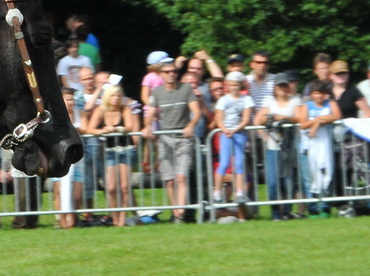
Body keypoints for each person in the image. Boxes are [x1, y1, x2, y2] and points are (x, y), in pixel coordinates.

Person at [144, 58, 199, 223]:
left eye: (174, 72)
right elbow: (150, 114)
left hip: (183, 138)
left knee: (181, 177)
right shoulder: (157, 92)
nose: (171, 75)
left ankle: (180, 213)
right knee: (169, 179)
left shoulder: (186, 88)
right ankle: (175, 212)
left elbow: (196, 112)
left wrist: (190, 125)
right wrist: (147, 126)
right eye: (167, 72)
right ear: (161, 74)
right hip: (164, 138)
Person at [86, 84, 139, 225]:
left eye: (119, 96)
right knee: (110, 187)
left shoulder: (125, 109)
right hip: (110, 151)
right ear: (108, 97)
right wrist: (102, 131)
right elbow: (89, 128)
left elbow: (129, 127)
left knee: (124, 187)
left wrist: (117, 129)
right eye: (113, 96)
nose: (116, 99)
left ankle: (122, 218)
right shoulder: (100, 110)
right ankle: (115, 218)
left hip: (126, 150)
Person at [255, 73, 302, 218]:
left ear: (289, 87)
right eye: (279, 85)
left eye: (285, 85)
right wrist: (266, 133)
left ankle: (286, 212)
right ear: (274, 88)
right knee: (273, 183)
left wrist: (285, 118)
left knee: (288, 182)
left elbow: (301, 118)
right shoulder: (269, 101)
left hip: (290, 147)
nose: (282, 88)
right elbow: (257, 121)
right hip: (273, 147)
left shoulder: (295, 100)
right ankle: (275, 213)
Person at [211, 71, 254, 216]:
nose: (233, 88)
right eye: (230, 85)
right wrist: (225, 130)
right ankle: (216, 192)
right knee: (223, 163)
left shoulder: (246, 99)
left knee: (239, 163)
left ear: (240, 85)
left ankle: (240, 192)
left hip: (239, 133)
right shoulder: (223, 100)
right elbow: (219, 118)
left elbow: (246, 118)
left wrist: (235, 129)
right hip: (226, 134)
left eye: (235, 85)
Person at [296, 80, 341, 211]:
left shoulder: (331, 103)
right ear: (311, 94)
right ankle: (313, 208)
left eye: (321, 93)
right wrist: (318, 120)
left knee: (327, 173)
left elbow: (337, 115)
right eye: (316, 93)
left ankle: (326, 207)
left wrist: (319, 122)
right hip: (310, 145)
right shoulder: (307, 106)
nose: (319, 96)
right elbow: (303, 124)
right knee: (311, 176)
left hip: (326, 144)